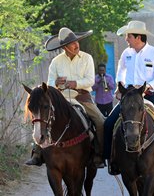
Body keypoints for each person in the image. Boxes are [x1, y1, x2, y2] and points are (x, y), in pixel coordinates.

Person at [104, 20, 154, 175]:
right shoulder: (126, 53)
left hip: (148, 94)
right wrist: (119, 86)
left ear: (138, 37)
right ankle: (110, 159)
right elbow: (120, 72)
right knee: (108, 124)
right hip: (128, 96)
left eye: (128, 36)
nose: (126, 39)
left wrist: (148, 86)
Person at [26, 27, 106, 168]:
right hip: (60, 99)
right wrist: (56, 83)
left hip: (82, 97)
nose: (76, 45)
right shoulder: (56, 62)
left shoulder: (87, 58)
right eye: (72, 43)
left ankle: (99, 154)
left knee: (100, 121)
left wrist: (75, 83)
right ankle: (37, 152)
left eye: (76, 42)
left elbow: (90, 81)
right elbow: (49, 83)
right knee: (41, 117)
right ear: (65, 47)